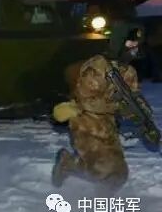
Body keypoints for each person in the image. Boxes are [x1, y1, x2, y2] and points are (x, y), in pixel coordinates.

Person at [51, 22, 157, 191]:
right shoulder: (98, 66)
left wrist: (144, 121)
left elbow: (134, 98)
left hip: (108, 125)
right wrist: (117, 104)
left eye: (136, 44)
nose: (134, 48)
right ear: (119, 42)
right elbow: (84, 99)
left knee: (119, 174)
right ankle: (68, 163)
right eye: (130, 43)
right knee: (103, 171)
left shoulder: (129, 71)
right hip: (86, 123)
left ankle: (98, 199)